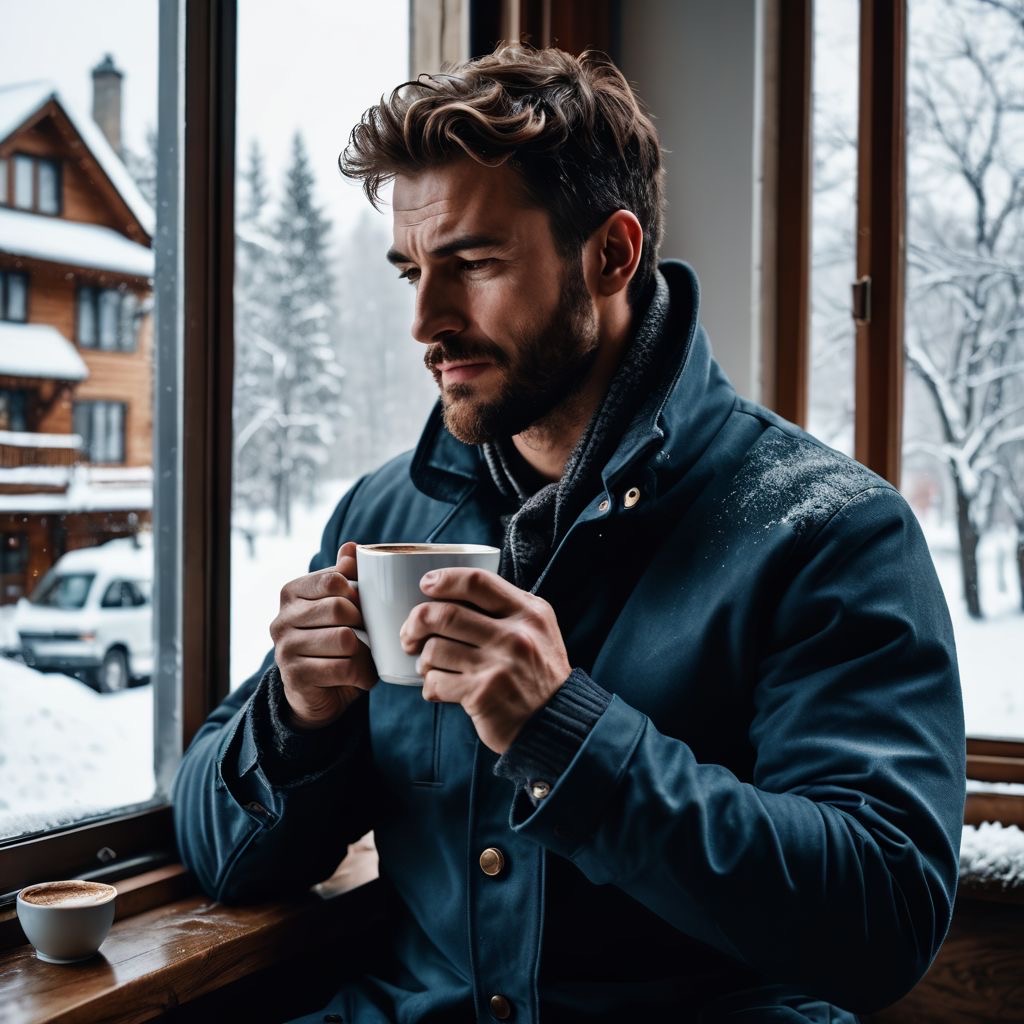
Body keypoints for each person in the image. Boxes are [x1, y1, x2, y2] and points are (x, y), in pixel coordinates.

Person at [173, 44, 966, 1024]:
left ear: (611, 255)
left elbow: (884, 917)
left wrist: (570, 736)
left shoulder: (831, 532)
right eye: (411, 269)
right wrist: (294, 716)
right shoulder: (381, 521)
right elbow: (218, 852)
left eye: (473, 262)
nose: (426, 318)